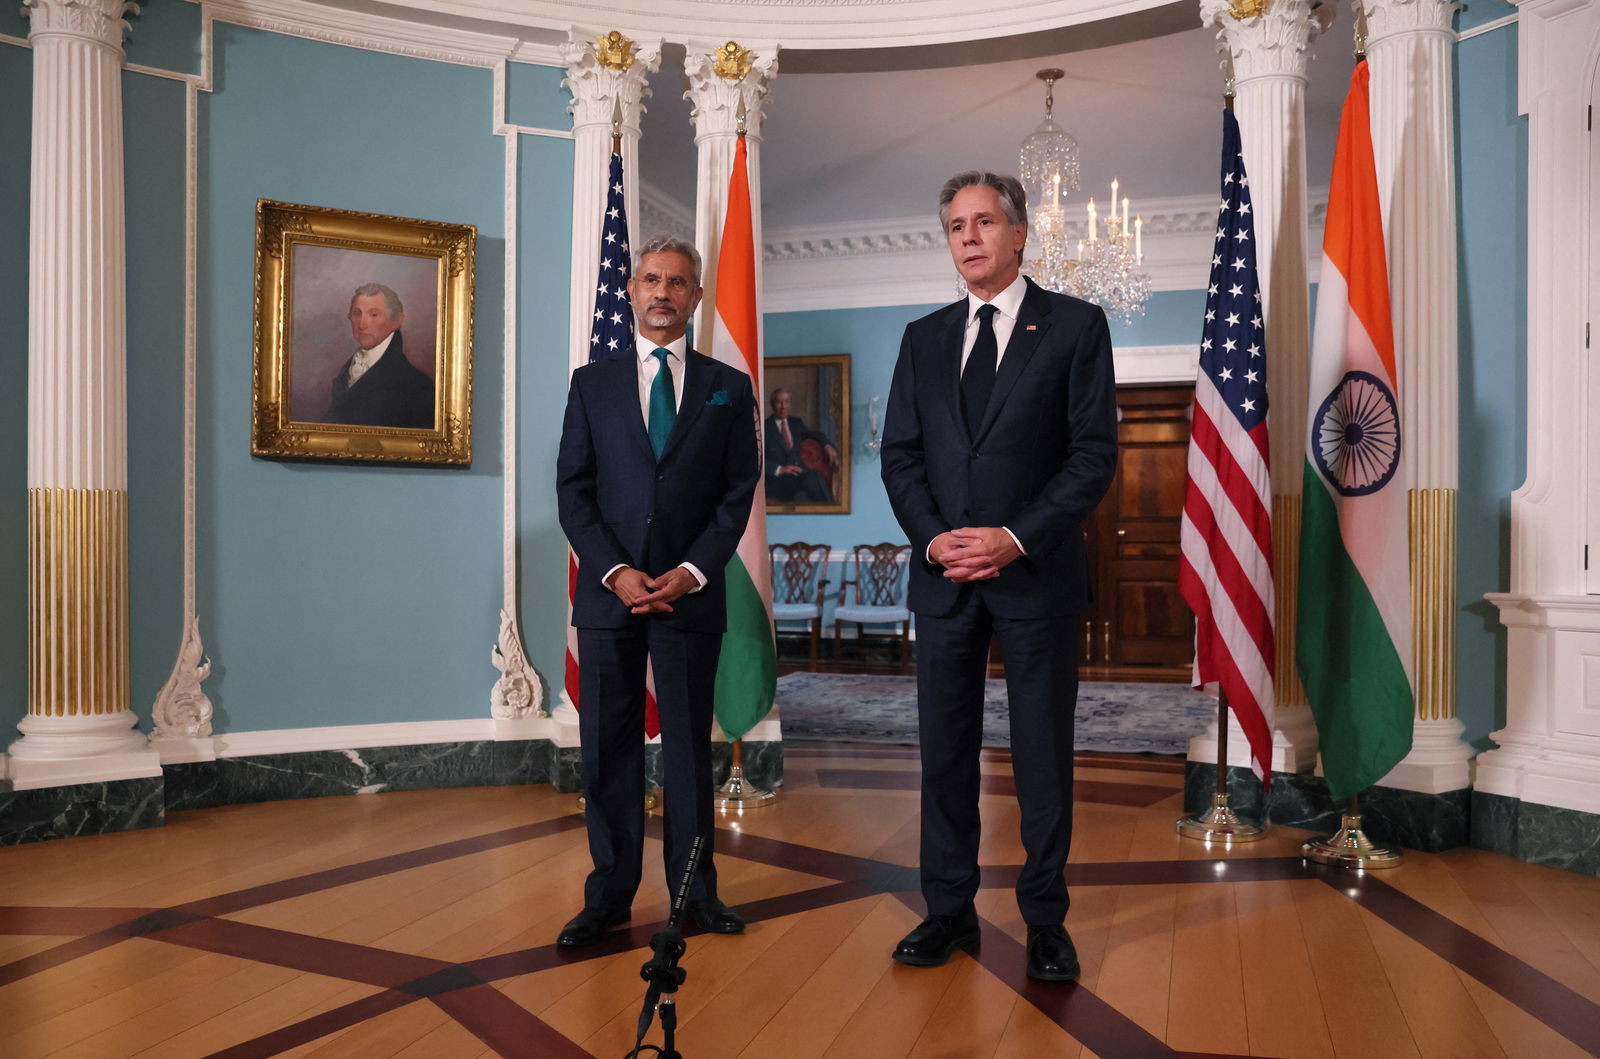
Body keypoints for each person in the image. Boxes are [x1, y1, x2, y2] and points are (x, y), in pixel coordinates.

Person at [879, 171, 1118, 982]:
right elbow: (901, 456)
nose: (969, 236)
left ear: (1020, 234)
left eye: (984, 221)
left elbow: (1092, 458)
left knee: (1041, 756)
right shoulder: (923, 338)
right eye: (955, 225)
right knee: (945, 753)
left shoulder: (1077, 327)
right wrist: (935, 539)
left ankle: (1046, 921)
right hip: (944, 579)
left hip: (1035, 576)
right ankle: (947, 910)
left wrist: (1014, 538)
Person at [555, 235, 760, 947]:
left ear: (696, 296)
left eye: (678, 281)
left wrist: (694, 570)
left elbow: (736, 495)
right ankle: (609, 895)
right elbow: (573, 492)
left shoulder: (729, 388)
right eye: (650, 279)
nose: (663, 292)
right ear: (632, 289)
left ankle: (695, 892)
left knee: (685, 755)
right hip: (612, 594)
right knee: (608, 750)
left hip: (689, 594)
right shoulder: (592, 383)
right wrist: (614, 571)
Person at [321, 283, 434, 428]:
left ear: (397, 321)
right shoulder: (347, 370)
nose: (362, 325)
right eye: (357, 313)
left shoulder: (417, 385)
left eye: (374, 314)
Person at [764, 388, 839, 503]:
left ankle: (833, 509)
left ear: (790, 404)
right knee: (808, 485)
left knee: (811, 481)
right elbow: (754, 459)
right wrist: (781, 469)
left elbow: (818, 435)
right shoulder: (764, 428)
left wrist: (828, 447)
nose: (783, 406)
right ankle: (834, 510)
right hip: (777, 481)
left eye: (787, 401)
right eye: (779, 402)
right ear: (772, 405)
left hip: (800, 476)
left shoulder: (796, 423)